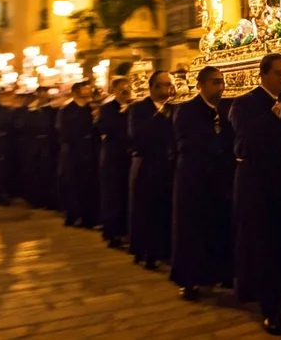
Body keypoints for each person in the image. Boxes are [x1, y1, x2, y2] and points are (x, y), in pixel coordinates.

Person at [230, 53, 281, 335]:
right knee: (261, 244)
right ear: (263, 74)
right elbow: (245, 138)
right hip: (256, 184)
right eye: (279, 73)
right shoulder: (244, 103)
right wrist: (271, 119)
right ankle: (269, 307)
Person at [170, 66, 236, 301]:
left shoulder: (225, 109)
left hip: (218, 179)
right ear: (200, 85)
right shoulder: (185, 110)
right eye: (214, 82)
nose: (220, 87)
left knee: (218, 225)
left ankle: (219, 272)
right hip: (193, 178)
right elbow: (187, 142)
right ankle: (189, 280)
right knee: (191, 229)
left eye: (221, 82)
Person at [129, 71, 177, 270]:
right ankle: (146, 251)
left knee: (165, 209)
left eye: (170, 85)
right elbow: (137, 135)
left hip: (169, 165)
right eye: (166, 85)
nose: (170, 89)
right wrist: (160, 116)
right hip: (148, 164)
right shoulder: (139, 108)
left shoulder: (175, 108)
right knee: (146, 210)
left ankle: (164, 250)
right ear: (154, 87)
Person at [59, 80, 99, 229]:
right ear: (76, 91)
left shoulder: (90, 109)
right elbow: (64, 132)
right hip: (73, 153)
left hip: (89, 151)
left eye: (89, 88)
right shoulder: (67, 110)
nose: (88, 91)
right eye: (84, 88)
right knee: (73, 184)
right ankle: (73, 215)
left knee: (89, 185)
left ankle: (89, 217)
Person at [99, 77, 133, 249]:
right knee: (112, 195)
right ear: (114, 91)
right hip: (113, 158)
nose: (125, 90)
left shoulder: (134, 107)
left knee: (126, 195)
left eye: (127, 87)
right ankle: (112, 232)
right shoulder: (107, 108)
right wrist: (122, 113)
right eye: (122, 88)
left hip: (127, 157)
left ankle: (126, 231)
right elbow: (106, 128)